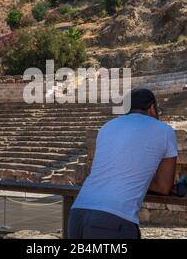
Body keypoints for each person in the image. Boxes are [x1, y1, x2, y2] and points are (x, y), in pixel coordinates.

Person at [68, 88, 178, 239]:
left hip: (77, 214)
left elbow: (110, 170)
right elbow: (164, 187)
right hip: (113, 221)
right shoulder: (165, 131)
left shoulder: (107, 126)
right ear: (152, 108)